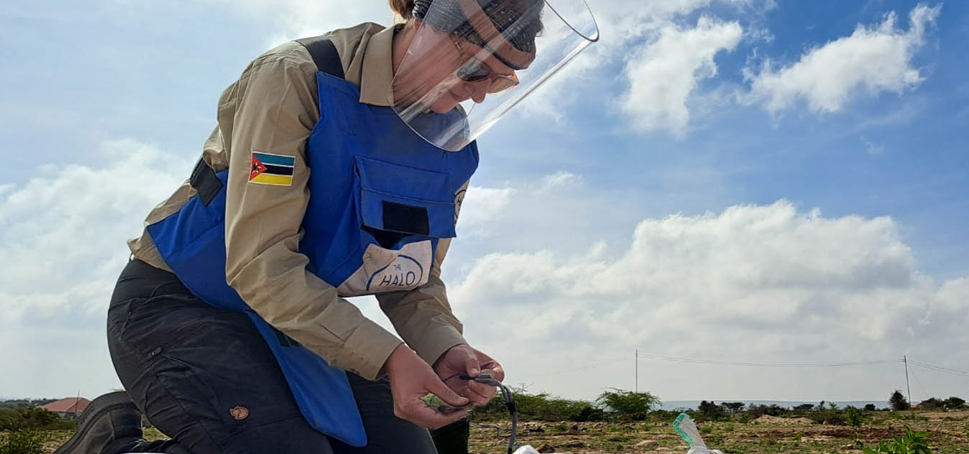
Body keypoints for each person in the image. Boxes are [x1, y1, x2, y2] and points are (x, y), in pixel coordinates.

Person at [55, 0, 597, 453]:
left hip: (298, 323)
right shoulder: (297, 77)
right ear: (427, 24)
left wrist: (441, 346)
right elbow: (260, 265)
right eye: (477, 70)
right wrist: (388, 358)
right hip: (180, 303)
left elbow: (410, 274)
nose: (480, 93)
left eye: (502, 82)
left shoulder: (447, 140)